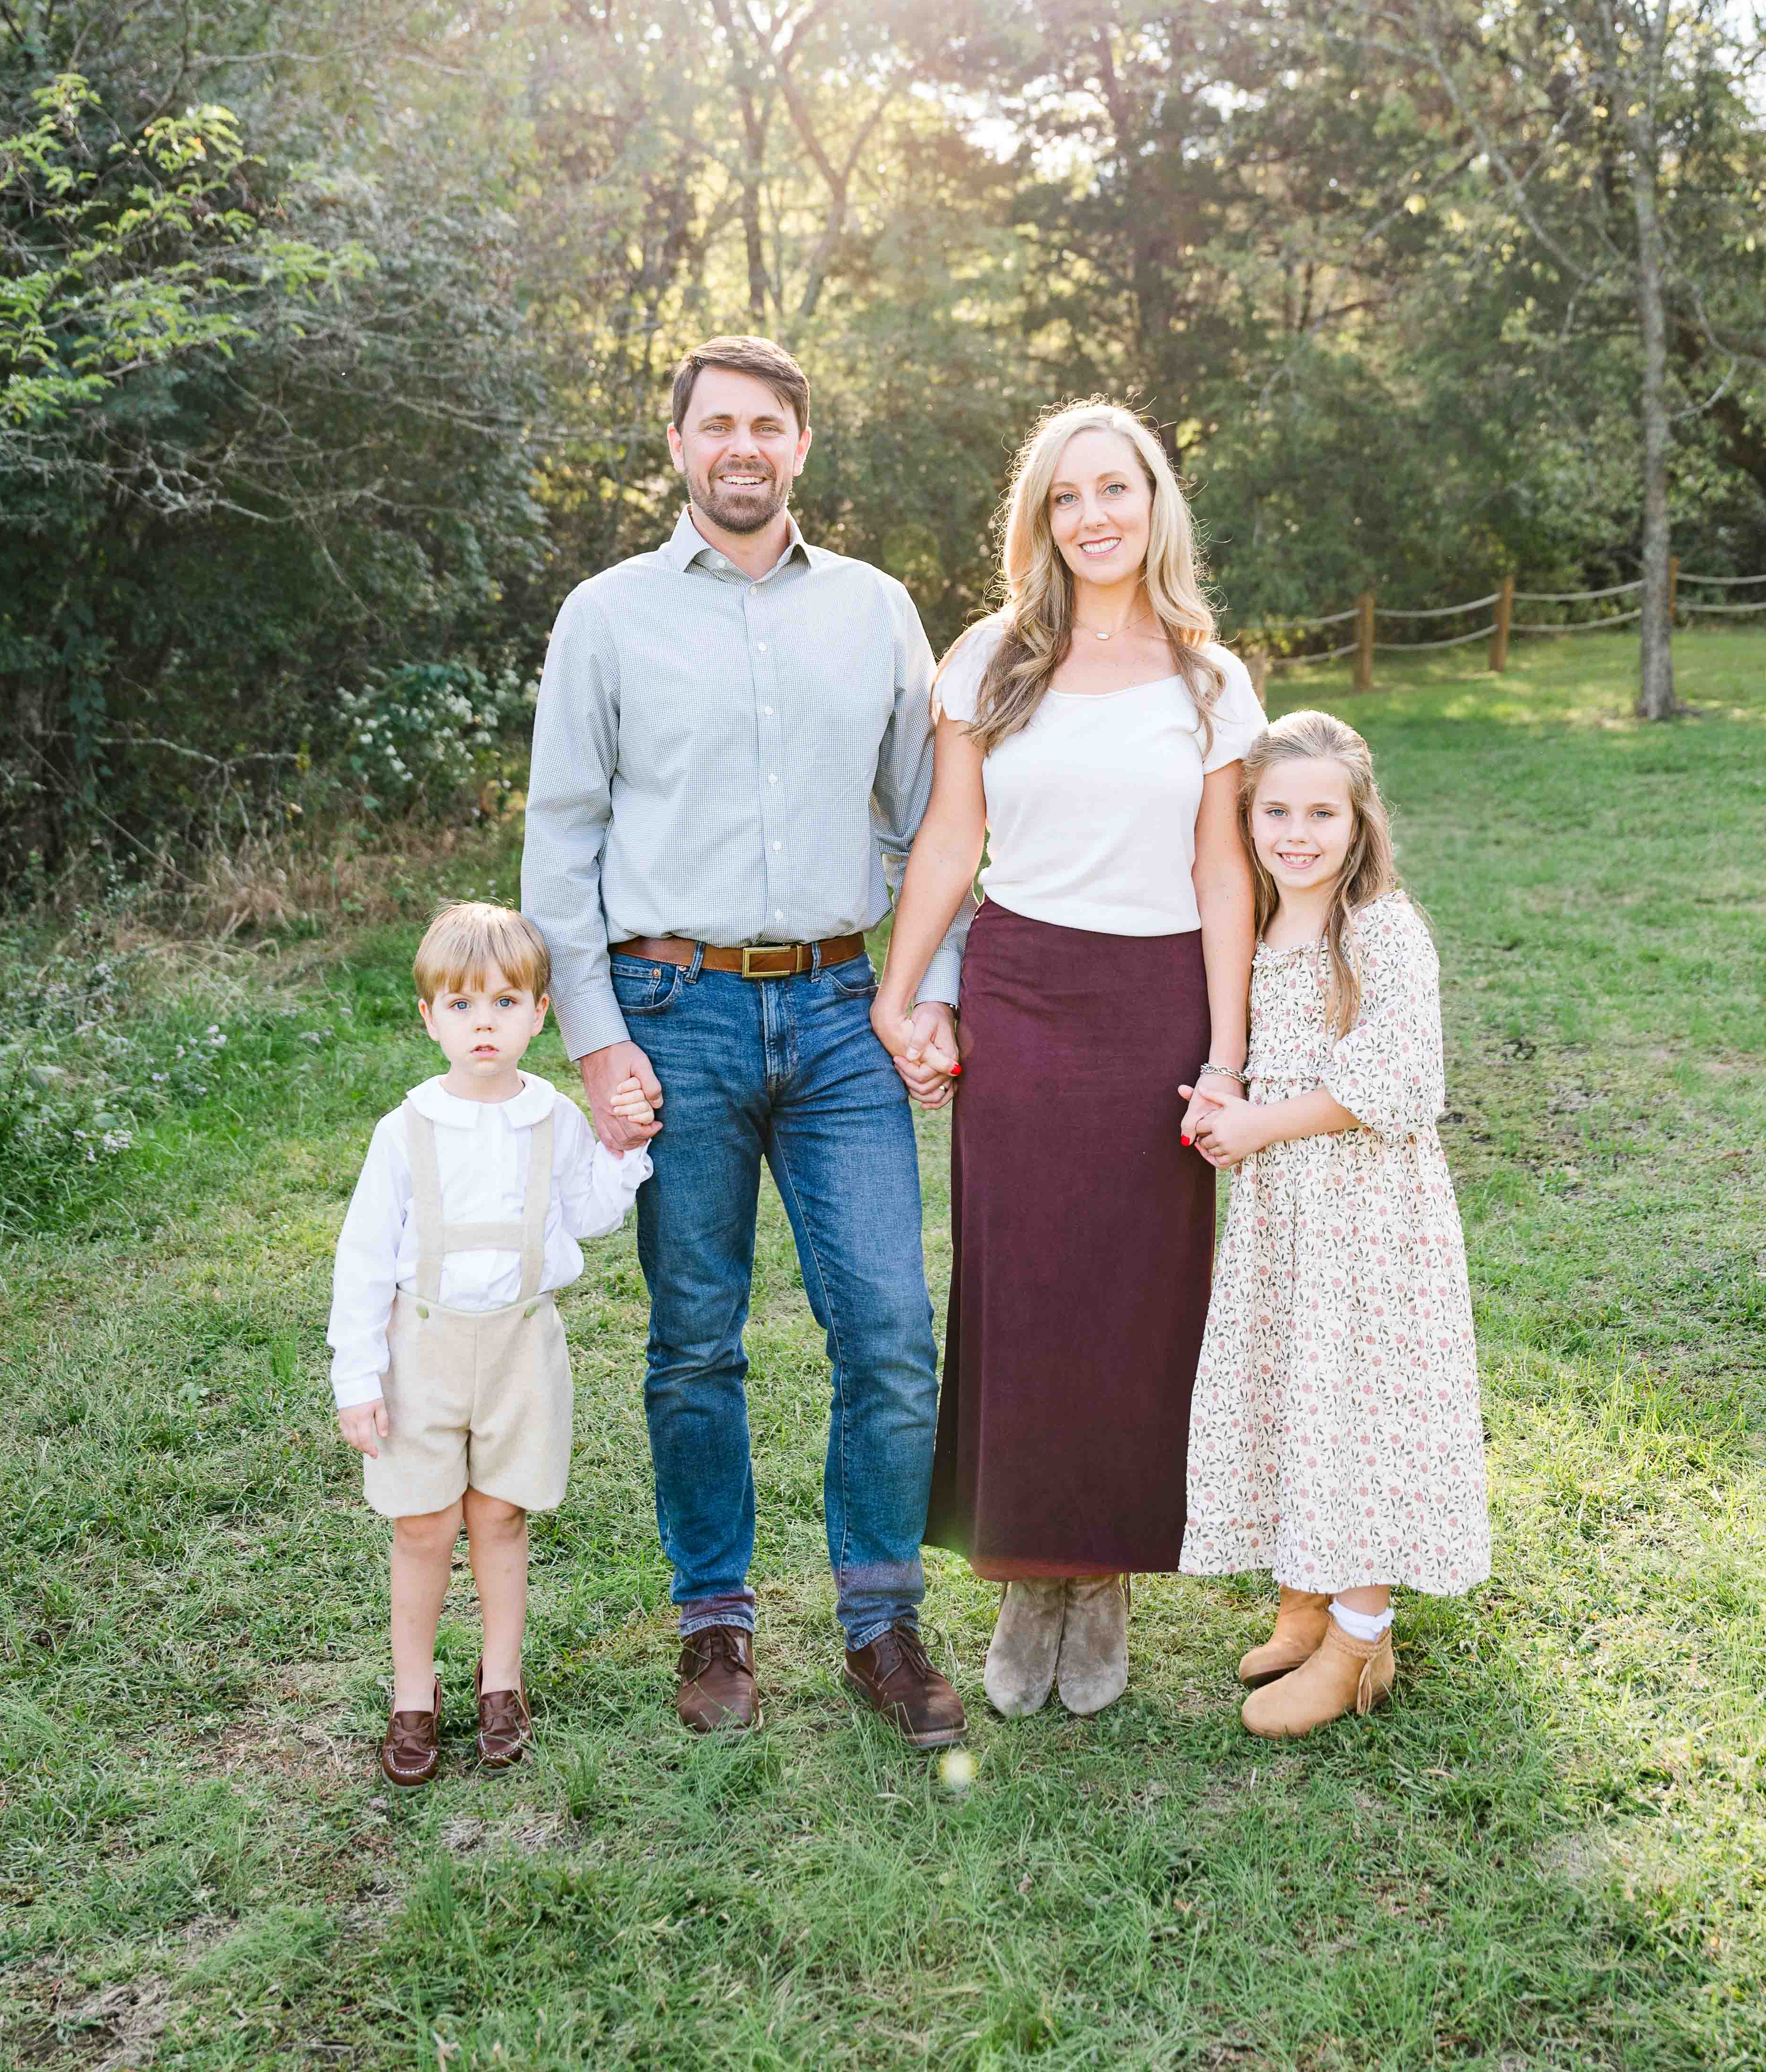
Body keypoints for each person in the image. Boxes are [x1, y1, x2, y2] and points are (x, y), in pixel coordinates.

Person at [520, 335, 974, 1747]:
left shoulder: (877, 608)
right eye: (716, 424)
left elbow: (930, 823)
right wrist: (594, 1039)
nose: (742, 447)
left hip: (843, 1014)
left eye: (767, 425)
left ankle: (880, 1626)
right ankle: (714, 1624)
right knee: (693, 1342)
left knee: (891, 1331)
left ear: (802, 447)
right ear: (677, 447)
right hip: (675, 1012)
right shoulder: (605, 616)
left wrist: (931, 982)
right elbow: (563, 840)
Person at [871, 401, 1264, 1718]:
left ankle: (1102, 1582)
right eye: (1068, 495)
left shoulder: (1211, 678)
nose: (1096, 515)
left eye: (1120, 488)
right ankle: (1026, 1574)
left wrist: (1227, 1056)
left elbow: (1223, 874)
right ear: (1038, 519)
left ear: (1158, 504)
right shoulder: (992, 658)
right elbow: (948, 842)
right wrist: (900, 992)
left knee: (1140, 1297)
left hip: (1156, 1003)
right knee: (1024, 1291)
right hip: (1024, 996)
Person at [1178, 709, 1492, 1736]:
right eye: (1276, 811)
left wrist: (1258, 1122)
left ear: (1361, 823)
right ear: (1247, 818)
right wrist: (1226, 1102)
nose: (1297, 832)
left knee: (1354, 1408)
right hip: (1289, 1217)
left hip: (1365, 1215)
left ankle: (1360, 1638)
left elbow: (1399, 1079)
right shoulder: (1263, 922)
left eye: (1322, 812)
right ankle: (1309, 1594)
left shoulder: (1380, 929)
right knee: (1294, 1390)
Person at [328, 901, 653, 1787]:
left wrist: (623, 1147)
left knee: (500, 1515)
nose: (485, 1025)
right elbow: (362, 1263)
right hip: (421, 1347)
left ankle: (500, 1682)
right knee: (424, 1525)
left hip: (520, 1345)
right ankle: (413, 1691)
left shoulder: (551, 1118)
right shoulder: (405, 1132)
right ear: (428, 1016)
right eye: (463, 1007)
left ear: (540, 1014)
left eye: (506, 1004)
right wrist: (357, 1376)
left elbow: (586, 1213)